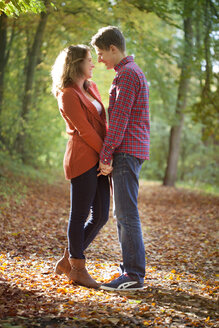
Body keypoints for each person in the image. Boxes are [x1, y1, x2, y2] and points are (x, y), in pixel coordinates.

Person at [91, 26, 150, 291]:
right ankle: (129, 270)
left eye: (101, 53)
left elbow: (119, 120)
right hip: (128, 151)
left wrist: (106, 154)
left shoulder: (127, 74)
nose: (99, 59)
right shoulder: (128, 72)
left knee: (126, 214)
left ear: (113, 49)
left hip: (126, 151)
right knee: (123, 213)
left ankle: (134, 275)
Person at [51, 45, 111, 289]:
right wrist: (105, 156)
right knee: (79, 215)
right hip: (83, 157)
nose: (93, 64)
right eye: (89, 60)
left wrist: (107, 154)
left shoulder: (91, 87)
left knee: (102, 215)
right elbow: (85, 130)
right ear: (77, 64)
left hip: (99, 157)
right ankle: (77, 267)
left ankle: (68, 260)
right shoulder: (67, 94)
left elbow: (100, 123)